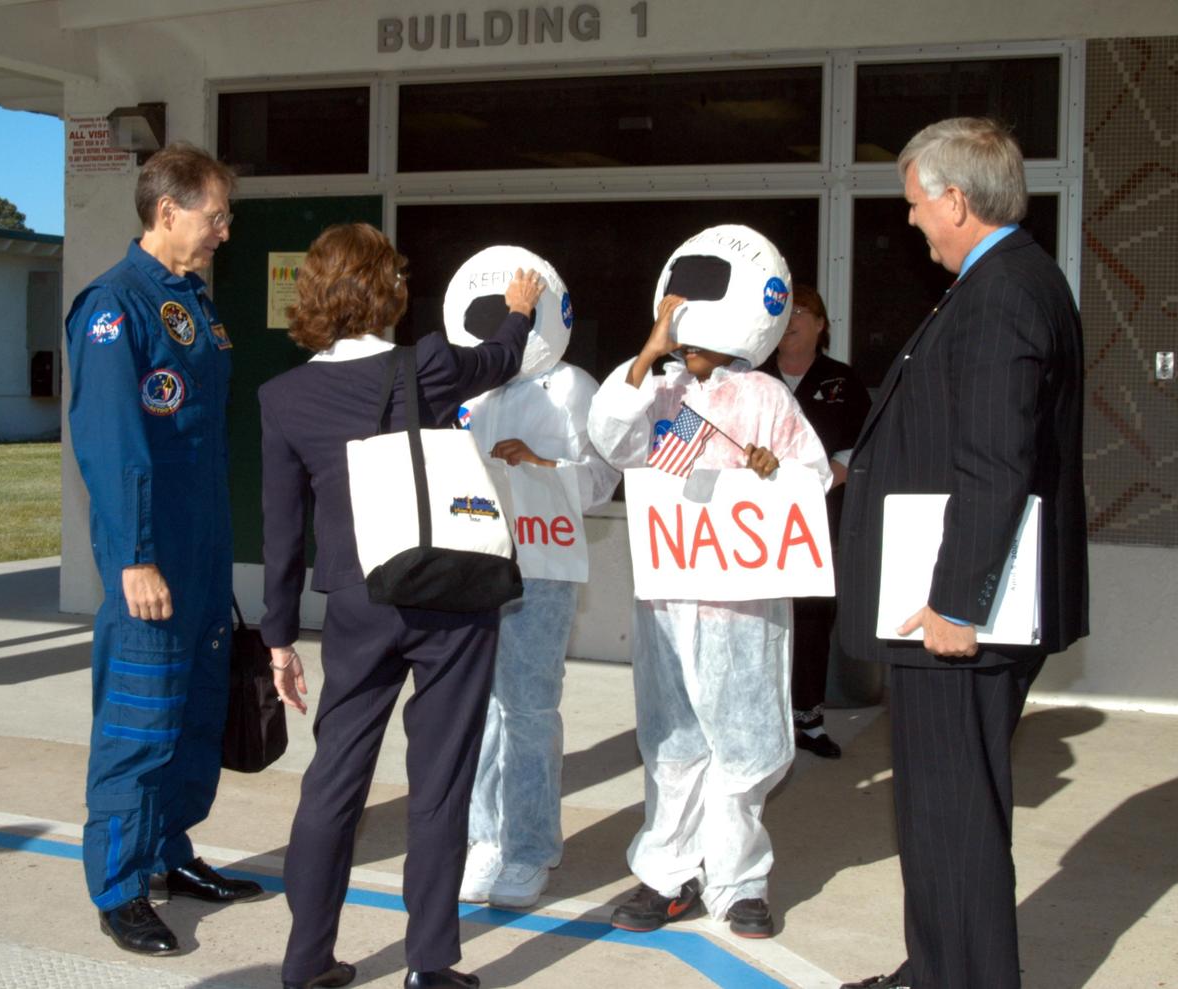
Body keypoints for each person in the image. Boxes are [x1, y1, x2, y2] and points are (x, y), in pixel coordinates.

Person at [835, 118, 1088, 989]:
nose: (910, 222)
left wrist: (956, 604)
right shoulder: (1006, 280)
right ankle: (936, 969)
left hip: (958, 610)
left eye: (914, 204)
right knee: (943, 811)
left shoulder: (1005, 292)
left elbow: (995, 458)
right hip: (956, 599)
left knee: (954, 817)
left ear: (954, 199)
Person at [258, 222, 543, 989]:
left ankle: (305, 960)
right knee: (440, 779)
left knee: (334, 779)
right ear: (389, 290)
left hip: (356, 600)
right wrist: (518, 308)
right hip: (449, 591)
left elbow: (283, 533)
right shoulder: (432, 365)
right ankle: (429, 963)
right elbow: (504, 357)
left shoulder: (282, 397)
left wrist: (278, 638)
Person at [587, 224, 831, 938]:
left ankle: (739, 880)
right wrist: (650, 355)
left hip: (741, 607)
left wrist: (773, 474)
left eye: (692, 338)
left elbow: (811, 480)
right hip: (668, 601)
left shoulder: (765, 398)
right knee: (671, 742)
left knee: (744, 744)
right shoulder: (653, 392)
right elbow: (611, 438)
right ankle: (667, 874)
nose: (684, 349)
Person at [65, 142, 262, 957]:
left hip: (202, 553)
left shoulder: (193, 303)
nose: (225, 231)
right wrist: (134, 558)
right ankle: (118, 887)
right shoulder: (116, 307)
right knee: (140, 722)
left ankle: (168, 855)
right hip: (151, 562)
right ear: (168, 209)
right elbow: (114, 449)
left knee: (194, 713)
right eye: (216, 216)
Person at [443, 246, 619, 909]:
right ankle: (485, 838)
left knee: (528, 709)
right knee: (477, 711)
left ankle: (530, 848)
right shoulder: (469, 386)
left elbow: (602, 481)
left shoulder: (574, 386)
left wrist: (544, 464)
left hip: (540, 570)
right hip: (471, 565)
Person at [763, 285, 871, 759]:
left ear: (822, 325)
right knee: (757, 619)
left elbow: (863, 445)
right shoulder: (750, 377)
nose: (792, 321)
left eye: (802, 312)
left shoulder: (842, 382)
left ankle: (807, 720)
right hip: (753, 523)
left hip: (818, 520)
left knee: (810, 617)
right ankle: (761, 721)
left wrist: (830, 477)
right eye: (784, 312)